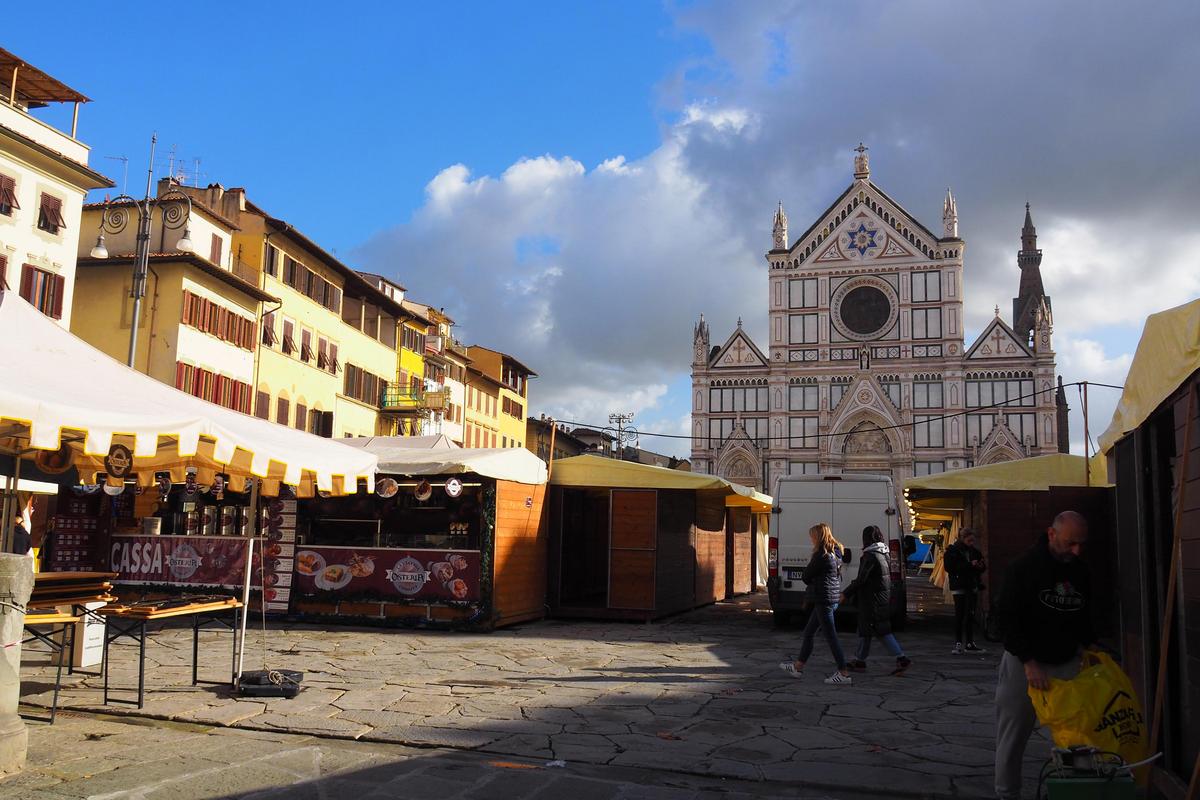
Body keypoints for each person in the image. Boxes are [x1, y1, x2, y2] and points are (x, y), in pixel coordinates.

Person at [994, 511, 1094, 800]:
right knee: (1012, 734)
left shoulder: (1080, 570)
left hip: (1066, 662)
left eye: (1081, 544)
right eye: (1070, 543)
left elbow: (1083, 614)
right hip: (1024, 665)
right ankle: (1006, 793)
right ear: (1052, 534)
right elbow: (1006, 620)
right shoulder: (1023, 568)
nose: (1076, 550)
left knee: (1075, 736)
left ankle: (1073, 791)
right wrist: (1028, 662)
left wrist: (1089, 646)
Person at [779, 522, 852, 685]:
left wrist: (812, 576)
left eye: (812, 536)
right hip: (830, 598)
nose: (811, 539)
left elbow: (805, 576)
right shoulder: (836, 552)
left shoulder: (821, 555)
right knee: (809, 633)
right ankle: (797, 667)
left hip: (823, 599)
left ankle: (844, 673)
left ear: (818, 537)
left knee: (831, 637)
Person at [843, 525, 911, 675]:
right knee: (867, 630)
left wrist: (845, 593)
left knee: (880, 632)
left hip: (871, 600)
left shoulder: (870, 556)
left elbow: (862, 579)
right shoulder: (883, 553)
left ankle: (901, 658)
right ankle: (860, 660)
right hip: (880, 598)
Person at [943, 527, 987, 654]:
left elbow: (982, 566)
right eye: (969, 541)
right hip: (959, 585)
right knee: (960, 614)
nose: (972, 543)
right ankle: (959, 642)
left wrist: (980, 566)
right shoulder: (952, 551)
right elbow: (950, 567)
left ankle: (969, 642)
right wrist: (970, 565)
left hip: (971, 585)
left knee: (970, 614)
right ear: (962, 538)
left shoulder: (974, 552)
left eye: (973, 541)